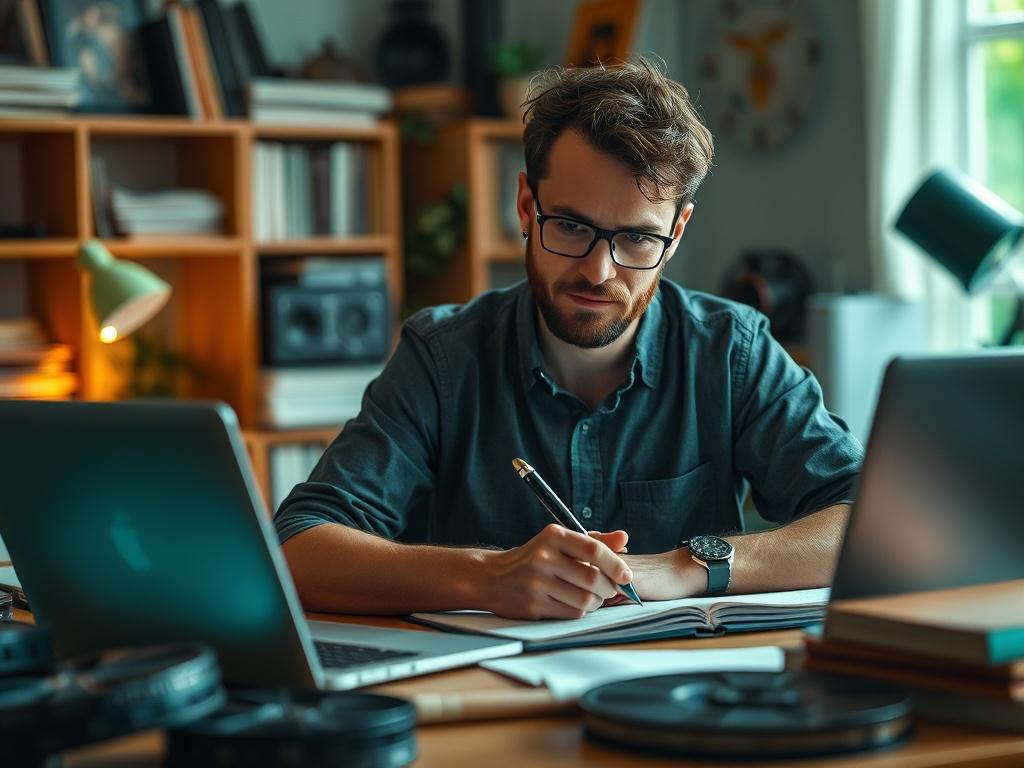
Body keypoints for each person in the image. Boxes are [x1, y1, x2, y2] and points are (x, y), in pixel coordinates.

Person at [275, 59, 862, 620]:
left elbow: (868, 521)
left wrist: (686, 567)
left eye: (636, 238)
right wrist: (490, 576)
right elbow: (299, 548)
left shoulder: (731, 352)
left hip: (676, 687)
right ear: (527, 206)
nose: (599, 271)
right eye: (573, 227)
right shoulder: (442, 358)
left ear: (677, 232)